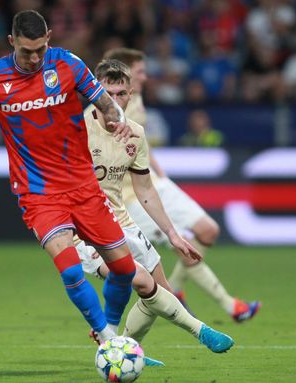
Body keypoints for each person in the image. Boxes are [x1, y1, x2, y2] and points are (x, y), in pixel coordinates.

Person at [0, 11, 232, 356]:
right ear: (12, 42)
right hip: (39, 192)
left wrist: (114, 116)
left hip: (84, 188)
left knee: (123, 269)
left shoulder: (67, 65)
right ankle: (108, 340)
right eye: (26, 51)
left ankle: (114, 329)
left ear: (50, 38)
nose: (34, 59)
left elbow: (103, 100)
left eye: (40, 50)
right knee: (70, 266)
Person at [77, 59, 234, 353]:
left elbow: (145, 189)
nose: (114, 100)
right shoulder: (77, 130)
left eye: (121, 93)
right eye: (107, 93)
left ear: (131, 94)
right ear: (94, 92)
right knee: (138, 278)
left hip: (120, 221)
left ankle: (124, 349)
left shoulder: (134, 132)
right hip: (83, 226)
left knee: (163, 293)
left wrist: (173, 235)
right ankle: (200, 330)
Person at [104, 47, 260, 322]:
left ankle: (176, 288)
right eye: (140, 71)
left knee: (208, 230)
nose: (146, 76)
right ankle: (229, 305)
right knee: (182, 245)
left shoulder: (136, 102)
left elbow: (140, 143)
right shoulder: (106, 110)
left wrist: (159, 172)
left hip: (153, 182)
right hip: (131, 197)